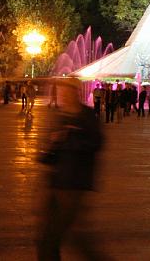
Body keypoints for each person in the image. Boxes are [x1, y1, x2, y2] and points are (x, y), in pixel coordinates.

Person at [35, 82, 106, 260]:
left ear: (76, 93)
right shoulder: (60, 116)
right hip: (55, 183)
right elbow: (48, 151)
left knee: (58, 239)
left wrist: (67, 138)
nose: (63, 96)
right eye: (60, 92)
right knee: (48, 238)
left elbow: (96, 143)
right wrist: (48, 147)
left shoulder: (87, 116)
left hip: (75, 185)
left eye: (66, 92)